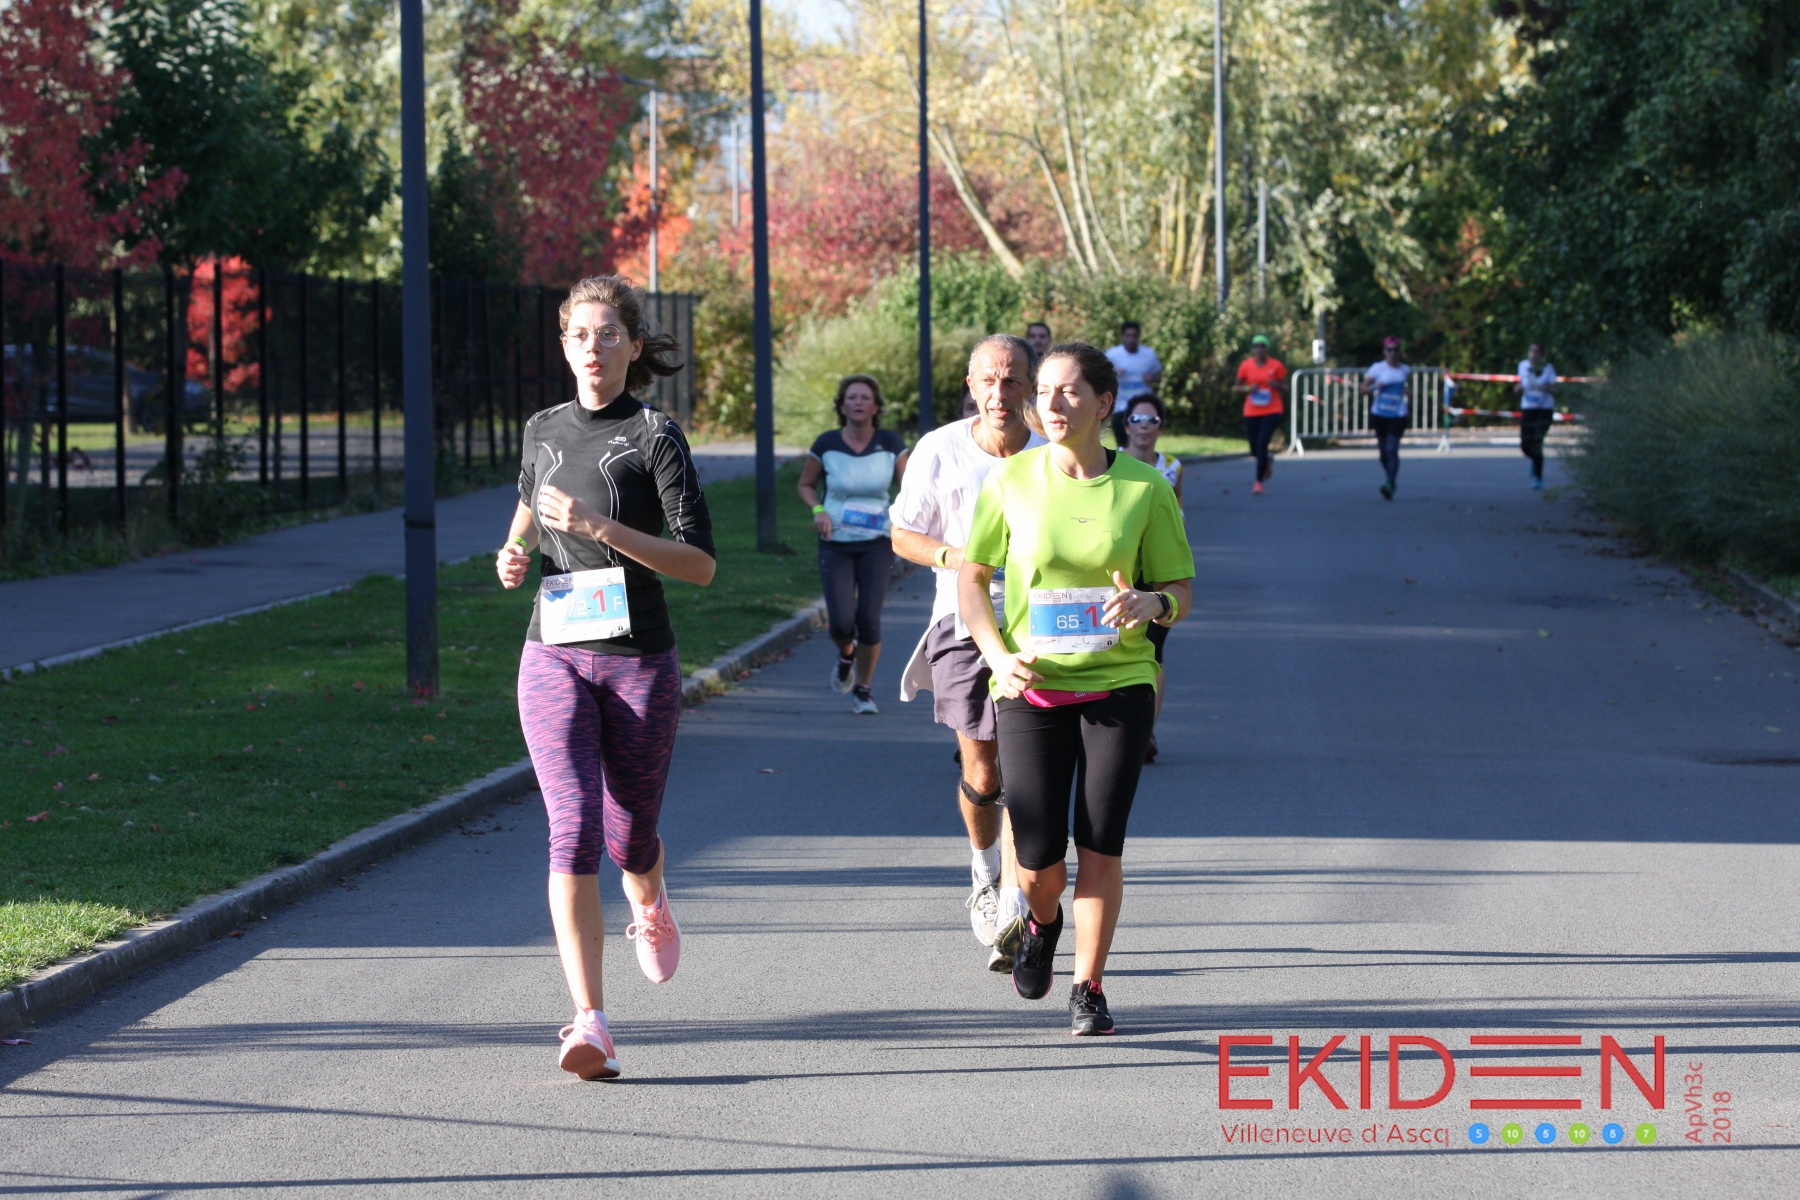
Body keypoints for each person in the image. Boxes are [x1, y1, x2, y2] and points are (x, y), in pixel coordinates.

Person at [495, 275, 716, 1081]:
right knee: (574, 825)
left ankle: (648, 898)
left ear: (632, 345)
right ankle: (590, 1021)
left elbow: (700, 564)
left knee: (630, 836)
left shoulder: (656, 435)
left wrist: (601, 528)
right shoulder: (542, 427)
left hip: (637, 660)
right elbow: (531, 501)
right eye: (580, 335)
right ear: (565, 346)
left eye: (608, 334)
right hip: (552, 649)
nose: (594, 347)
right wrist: (514, 549)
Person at [960, 341, 1194, 1036]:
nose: (1052, 404)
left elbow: (1179, 590)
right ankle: (1041, 923)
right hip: (1030, 685)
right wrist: (998, 656)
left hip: (1120, 683)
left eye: (1068, 391)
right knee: (1037, 862)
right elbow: (972, 579)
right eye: (1045, 392)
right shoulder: (1011, 479)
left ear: (1103, 402)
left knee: (1101, 844)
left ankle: (1088, 987)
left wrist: (1153, 604)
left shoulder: (1145, 488)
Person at [892, 334, 1047, 972]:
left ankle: (1014, 904)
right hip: (960, 620)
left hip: (1036, 625)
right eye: (989, 380)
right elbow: (902, 534)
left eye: (1012, 381)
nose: (999, 393)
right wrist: (958, 558)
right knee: (983, 774)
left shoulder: (1052, 452)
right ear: (971, 384)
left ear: (1030, 386)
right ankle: (985, 875)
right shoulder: (940, 449)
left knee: (1023, 771)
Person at [797, 375, 909, 714]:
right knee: (842, 622)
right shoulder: (827, 443)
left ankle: (864, 689)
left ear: (875, 407)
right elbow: (806, 485)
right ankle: (847, 655)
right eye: (851, 397)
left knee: (869, 620)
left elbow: (910, 490)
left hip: (877, 541)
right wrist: (818, 510)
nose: (858, 402)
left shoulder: (890, 444)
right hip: (836, 541)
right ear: (842, 406)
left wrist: (904, 520)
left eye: (865, 397)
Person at [1117, 394, 1182, 764]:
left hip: (1158, 572)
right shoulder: (1112, 462)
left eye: (1152, 420)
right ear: (1126, 425)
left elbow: (1179, 510)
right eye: (1137, 419)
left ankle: (1145, 732)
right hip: (1123, 569)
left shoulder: (1172, 466)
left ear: (1161, 426)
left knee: (1153, 652)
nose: (1144, 427)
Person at [1234, 335, 1288, 495]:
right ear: (1253, 349)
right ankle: (1266, 459)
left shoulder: (1276, 365)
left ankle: (1258, 482)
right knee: (1254, 448)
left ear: (1267, 348)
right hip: (1251, 410)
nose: (1259, 349)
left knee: (1261, 444)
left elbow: (1286, 387)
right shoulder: (1246, 365)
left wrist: (1276, 385)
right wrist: (1248, 389)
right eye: (1256, 346)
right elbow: (1237, 387)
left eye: (1262, 346)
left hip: (1272, 409)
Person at [1361, 336, 1412, 500]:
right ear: (1384, 351)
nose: (1392, 353)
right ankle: (1390, 477)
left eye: (1395, 350)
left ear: (1399, 352)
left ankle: (1390, 483)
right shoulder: (1377, 369)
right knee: (1383, 454)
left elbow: (1406, 389)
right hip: (1380, 413)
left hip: (1398, 414)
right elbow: (1363, 389)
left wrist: (1408, 393)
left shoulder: (1405, 370)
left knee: (1392, 448)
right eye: (1389, 350)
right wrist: (1374, 387)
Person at [1104, 322, 1163, 445]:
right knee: (1123, 444)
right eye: (1128, 335)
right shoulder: (1112, 354)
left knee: (1141, 444)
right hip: (1121, 406)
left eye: (1134, 335)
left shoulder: (1148, 354)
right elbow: (1101, 376)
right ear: (1122, 336)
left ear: (1139, 336)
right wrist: (1114, 375)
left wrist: (1152, 378)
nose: (1131, 339)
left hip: (1143, 407)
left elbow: (1158, 375)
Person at [1516, 342, 1558, 490]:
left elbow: (1555, 389)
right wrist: (1518, 388)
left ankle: (1539, 477)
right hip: (1528, 408)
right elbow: (1521, 384)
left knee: (1537, 442)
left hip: (1544, 409)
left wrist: (1544, 388)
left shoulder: (1548, 368)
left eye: (1537, 352)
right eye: (1532, 351)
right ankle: (1534, 460)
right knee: (1525, 445)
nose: (1534, 354)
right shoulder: (1523, 366)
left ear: (1542, 354)